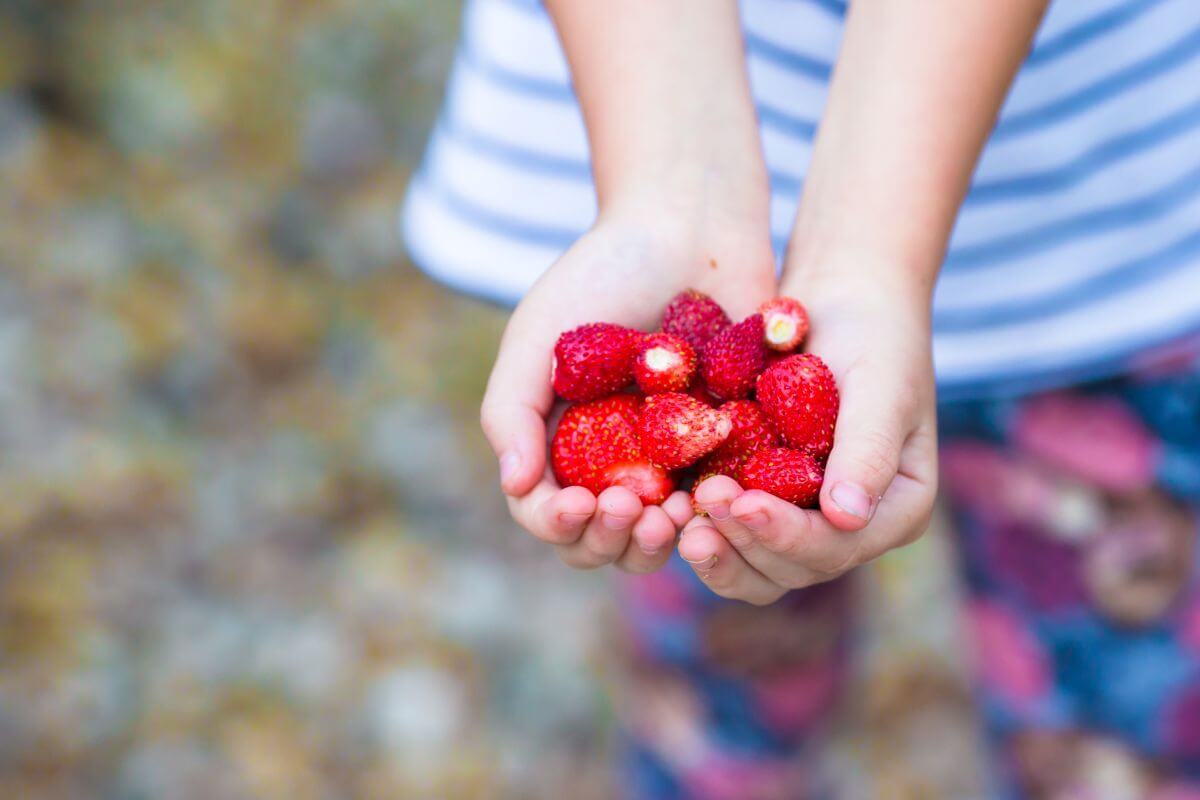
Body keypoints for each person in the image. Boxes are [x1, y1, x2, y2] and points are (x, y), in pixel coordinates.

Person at [403, 0, 1200, 795]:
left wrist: (868, 251)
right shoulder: (701, 405)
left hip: (1101, 202)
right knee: (720, 641)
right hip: (646, 91)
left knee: (1122, 707)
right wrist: (671, 195)